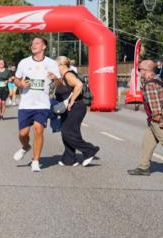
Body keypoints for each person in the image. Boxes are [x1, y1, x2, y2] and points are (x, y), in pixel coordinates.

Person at [13, 37, 62, 172]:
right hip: (26, 104)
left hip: (42, 103)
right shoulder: (24, 62)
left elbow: (59, 84)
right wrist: (20, 84)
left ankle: (36, 161)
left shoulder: (51, 63)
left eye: (37, 43)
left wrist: (55, 79)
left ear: (44, 46)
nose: (34, 45)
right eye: (32, 43)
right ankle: (25, 147)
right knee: (23, 134)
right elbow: (16, 79)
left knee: (38, 130)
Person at [54, 56, 99, 167]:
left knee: (67, 132)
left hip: (75, 107)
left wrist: (72, 100)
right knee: (71, 132)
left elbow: (79, 85)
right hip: (70, 108)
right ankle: (69, 159)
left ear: (61, 65)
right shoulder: (64, 76)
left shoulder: (68, 74)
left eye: (56, 65)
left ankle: (89, 150)